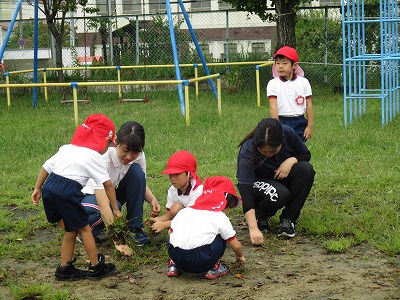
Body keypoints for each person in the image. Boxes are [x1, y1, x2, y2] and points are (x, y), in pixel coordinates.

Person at [31, 114, 118, 281]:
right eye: (109, 143)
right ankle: (96, 266)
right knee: (85, 229)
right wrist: (115, 209)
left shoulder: (67, 148)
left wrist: (37, 188)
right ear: (104, 140)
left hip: (49, 188)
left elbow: (46, 167)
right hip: (66, 192)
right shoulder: (95, 157)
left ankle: (65, 268)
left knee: (70, 231)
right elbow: (108, 185)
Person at [237, 118, 315, 245]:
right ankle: (260, 217)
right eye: (264, 152)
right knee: (279, 194)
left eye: (273, 151)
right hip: (257, 185)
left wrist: (291, 160)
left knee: (306, 170)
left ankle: (288, 220)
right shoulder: (248, 151)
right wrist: (253, 228)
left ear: (281, 141)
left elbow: (305, 154)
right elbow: (245, 191)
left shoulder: (287, 133)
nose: (268, 155)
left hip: (279, 177)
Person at [81, 121, 160, 247]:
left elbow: (140, 182)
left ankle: (134, 228)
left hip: (109, 192)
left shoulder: (139, 156)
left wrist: (152, 199)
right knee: (113, 206)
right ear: (116, 141)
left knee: (137, 173)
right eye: (125, 150)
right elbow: (102, 202)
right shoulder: (103, 155)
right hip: (87, 197)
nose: (129, 156)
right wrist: (117, 240)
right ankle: (83, 230)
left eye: (135, 152)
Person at [167, 176, 246, 279]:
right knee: (222, 236)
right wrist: (240, 256)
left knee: (177, 233)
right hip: (202, 260)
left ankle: (174, 265)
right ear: (226, 202)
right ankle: (214, 268)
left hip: (176, 255)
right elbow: (236, 246)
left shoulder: (185, 211)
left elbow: (170, 233)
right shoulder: (220, 217)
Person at [267, 46, 314, 142]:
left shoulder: (303, 82)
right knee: (283, 150)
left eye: (284, 63)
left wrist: (309, 126)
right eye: (277, 63)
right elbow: (273, 107)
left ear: (294, 65)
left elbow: (309, 105)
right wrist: (277, 127)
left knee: (298, 151)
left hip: (299, 121)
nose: (280, 66)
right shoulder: (273, 84)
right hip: (281, 122)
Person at [150, 150, 203, 233]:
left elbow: (190, 218)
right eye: (170, 174)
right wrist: (156, 220)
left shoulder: (198, 191)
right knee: (175, 208)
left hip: (198, 222)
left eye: (177, 174)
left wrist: (164, 225)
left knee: (170, 233)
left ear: (189, 174)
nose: (172, 178)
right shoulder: (173, 189)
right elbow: (170, 214)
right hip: (184, 220)